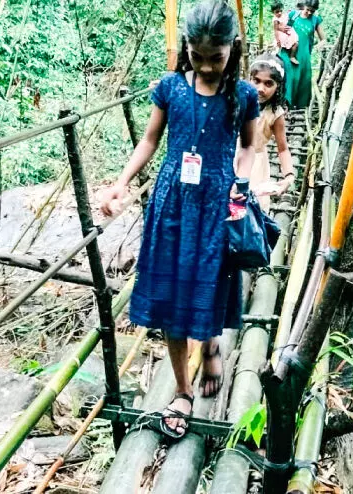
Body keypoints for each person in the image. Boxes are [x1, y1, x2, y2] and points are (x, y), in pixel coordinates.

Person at [98, 0, 259, 439]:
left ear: (233, 48)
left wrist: (238, 185)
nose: (207, 67)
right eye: (199, 56)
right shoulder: (170, 87)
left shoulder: (243, 95)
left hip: (216, 202)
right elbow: (150, 140)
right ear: (187, 47)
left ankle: (209, 346)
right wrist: (121, 182)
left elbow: (248, 147)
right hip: (172, 201)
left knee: (209, 280)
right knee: (171, 291)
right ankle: (183, 392)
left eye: (217, 57)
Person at [240, 54, 295, 212]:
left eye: (268, 83)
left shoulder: (275, 114)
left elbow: (283, 148)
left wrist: (288, 177)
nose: (260, 89)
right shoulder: (237, 102)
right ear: (249, 79)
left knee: (250, 209)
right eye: (256, 81)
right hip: (231, 159)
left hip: (256, 165)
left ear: (278, 86)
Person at [278, 0, 326, 109]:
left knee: (304, 80)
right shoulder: (293, 15)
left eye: (312, 11)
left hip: (304, 55)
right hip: (289, 52)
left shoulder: (315, 21)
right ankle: (286, 105)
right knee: (290, 78)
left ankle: (301, 107)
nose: (309, 13)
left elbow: (324, 39)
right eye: (308, 10)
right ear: (304, 6)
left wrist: (320, 44)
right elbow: (282, 29)